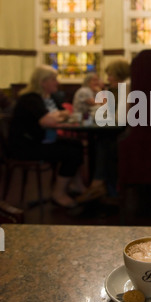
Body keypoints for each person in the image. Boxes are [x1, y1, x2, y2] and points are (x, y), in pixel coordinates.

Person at [8, 65, 94, 208]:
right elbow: (48, 120)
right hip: (26, 146)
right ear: (43, 82)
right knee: (70, 153)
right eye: (53, 79)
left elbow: (66, 112)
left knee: (76, 145)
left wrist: (56, 116)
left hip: (43, 141)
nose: (57, 82)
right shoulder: (30, 99)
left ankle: (76, 186)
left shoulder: (49, 97)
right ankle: (58, 193)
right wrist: (55, 117)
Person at [76, 59, 131, 202]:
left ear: (119, 74)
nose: (108, 79)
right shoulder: (123, 87)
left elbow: (120, 118)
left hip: (129, 136)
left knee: (105, 142)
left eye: (110, 75)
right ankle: (102, 186)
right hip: (128, 133)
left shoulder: (126, 86)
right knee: (104, 140)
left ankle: (99, 185)